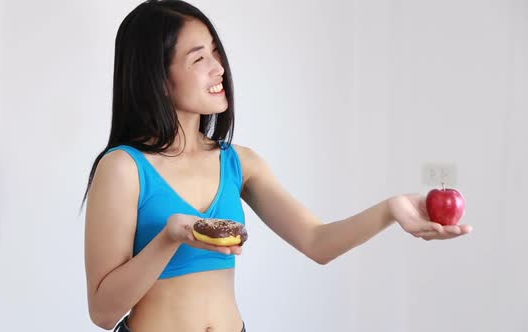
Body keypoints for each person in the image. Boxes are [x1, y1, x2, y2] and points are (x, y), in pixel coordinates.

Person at [82, 1, 473, 331]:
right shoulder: (123, 169)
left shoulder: (239, 163)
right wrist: (170, 236)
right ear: (158, 79)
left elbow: (318, 242)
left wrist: (390, 209)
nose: (219, 67)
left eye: (216, 52)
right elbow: (103, 312)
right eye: (199, 58)